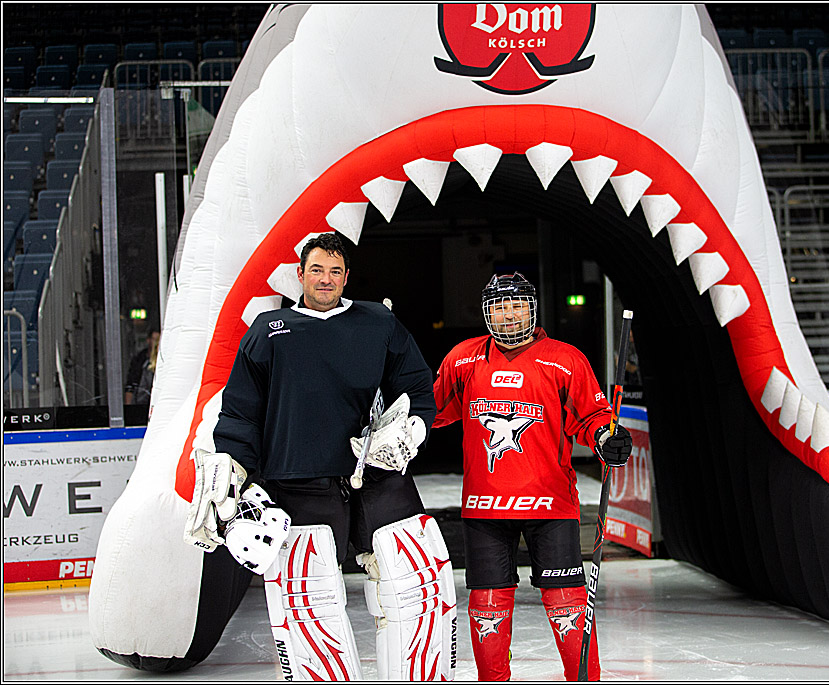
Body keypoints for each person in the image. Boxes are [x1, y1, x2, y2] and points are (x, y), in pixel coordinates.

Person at [183, 232, 456, 681]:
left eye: (334, 271)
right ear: (300, 275)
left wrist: (414, 425)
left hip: (376, 474)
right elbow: (240, 411)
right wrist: (235, 469)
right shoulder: (268, 332)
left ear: (346, 277)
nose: (325, 279)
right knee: (307, 605)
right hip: (297, 480)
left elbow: (415, 384)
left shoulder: (378, 322)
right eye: (316, 270)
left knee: (417, 588)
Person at [432, 272, 633, 682]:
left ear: (531, 308)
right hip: (484, 505)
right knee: (487, 604)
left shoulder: (564, 359)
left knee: (567, 603)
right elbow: (431, 410)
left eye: (516, 305)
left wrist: (607, 436)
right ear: (487, 313)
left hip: (550, 503)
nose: (509, 315)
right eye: (499, 307)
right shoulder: (464, 359)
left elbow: (591, 417)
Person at [124, 329, 159, 406]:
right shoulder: (140, 360)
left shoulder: (165, 361)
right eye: (155, 339)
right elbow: (131, 385)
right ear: (148, 340)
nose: (157, 343)